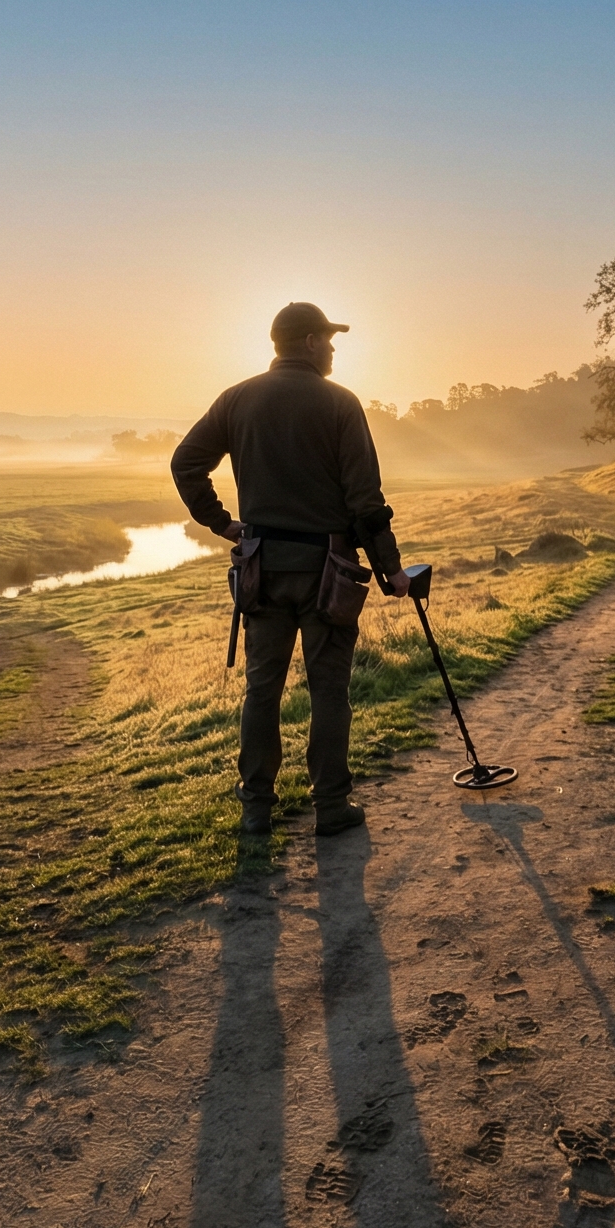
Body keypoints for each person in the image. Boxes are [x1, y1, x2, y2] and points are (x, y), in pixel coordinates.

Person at [171, 302, 409, 837]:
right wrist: (391, 569)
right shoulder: (340, 404)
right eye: (327, 339)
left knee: (263, 689)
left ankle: (256, 808)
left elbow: (185, 463)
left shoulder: (236, 399)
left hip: (262, 570)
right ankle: (330, 806)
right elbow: (365, 499)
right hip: (328, 571)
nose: (332, 348)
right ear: (306, 341)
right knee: (328, 691)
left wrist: (224, 525)